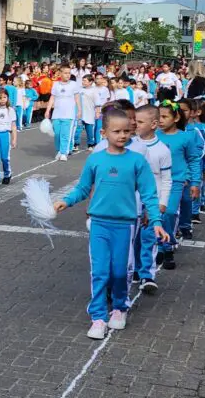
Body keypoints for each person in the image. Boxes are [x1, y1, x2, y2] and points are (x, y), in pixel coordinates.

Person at [55, 110, 169, 339]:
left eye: (127, 131)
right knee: (99, 271)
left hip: (126, 225)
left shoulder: (137, 160)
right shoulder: (95, 159)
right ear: (104, 132)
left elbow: (149, 194)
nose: (122, 135)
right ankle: (97, 316)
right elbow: (83, 188)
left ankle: (119, 308)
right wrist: (66, 201)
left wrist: (156, 221)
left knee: (120, 271)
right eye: (116, 131)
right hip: (99, 223)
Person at [133, 105, 172, 293]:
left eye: (140, 122)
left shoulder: (162, 150)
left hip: (152, 202)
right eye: (135, 120)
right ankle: (133, 268)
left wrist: (161, 204)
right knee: (132, 239)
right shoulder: (130, 145)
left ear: (154, 124)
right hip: (131, 202)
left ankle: (147, 275)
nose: (135, 124)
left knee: (149, 239)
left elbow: (166, 179)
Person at [155, 102, 199, 270]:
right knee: (157, 214)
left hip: (175, 182)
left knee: (170, 212)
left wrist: (194, 182)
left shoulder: (186, 137)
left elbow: (194, 160)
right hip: (155, 181)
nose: (160, 120)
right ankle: (164, 248)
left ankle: (166, 245)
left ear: (176, 118)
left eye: (165, 117)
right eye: (158, 116)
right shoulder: (154, 136)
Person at [45, 66, 79, 160]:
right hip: (57, 114)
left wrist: (79, 110)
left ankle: (64, 152)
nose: (68, 75)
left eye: (69, 73)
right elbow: (52, 98)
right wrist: (48, 110)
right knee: (57, 134)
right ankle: (59, 150)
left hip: (69, 114)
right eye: (65, 73)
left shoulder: (73, 84)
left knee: (65, 134)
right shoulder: (56, 84)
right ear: (60, 74)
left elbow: (77, 98)